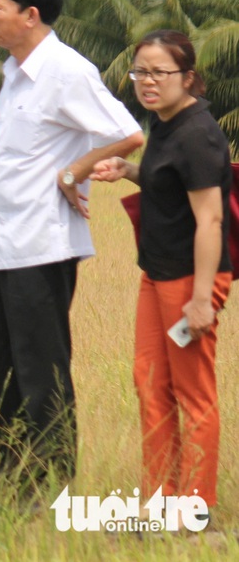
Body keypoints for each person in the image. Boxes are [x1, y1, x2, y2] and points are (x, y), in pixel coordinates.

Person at [0, 0, 143, 506]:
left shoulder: (66, 70)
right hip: (4, 247)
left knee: (40, 371)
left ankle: (50, 489)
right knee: (1, 372)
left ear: (31, 15)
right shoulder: (14, 69)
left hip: (43, 247)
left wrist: (75, 171)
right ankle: (13, 482)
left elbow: (127, 131)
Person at [91, 30, 229, 519]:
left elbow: (211, 219)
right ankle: (160, 501)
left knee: (192, 392)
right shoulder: (165, 122)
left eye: (159, 72)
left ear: (187, 76)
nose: (147, 82)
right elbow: (168, 185)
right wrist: (127, 170)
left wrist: (201, 299)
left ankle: (196, 505)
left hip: (190, 281)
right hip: (157, 273)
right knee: (149, 384)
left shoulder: (197, 133)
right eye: (140, 72)